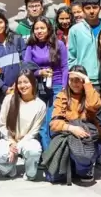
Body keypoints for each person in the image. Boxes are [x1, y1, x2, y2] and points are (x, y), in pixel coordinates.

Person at [48, 66, 101, 181]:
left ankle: (85, 167)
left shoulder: (91, 94)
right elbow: (54, 123)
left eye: (78, 79)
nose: (74, 83)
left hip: (88, 138)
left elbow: (93, 105)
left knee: (82, 166)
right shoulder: (62, 96)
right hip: (69, 135)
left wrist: (87, 82)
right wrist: (71, 128)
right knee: (54, 177)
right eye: (71, 79)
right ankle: (73, 165)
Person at [0, 70, 46, 180]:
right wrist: (11, 142)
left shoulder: (40, 105)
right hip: (9, 139)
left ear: (33, 83)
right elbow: (1, 125)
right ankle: (9, 170)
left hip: (27, 140)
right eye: (20, 82)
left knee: (34, 150)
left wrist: (17, 146)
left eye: (26, 82)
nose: (22, 85)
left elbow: (34, 131)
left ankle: (30, 173)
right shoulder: (9, 99)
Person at [23, 17, 68, 148]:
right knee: (41, 122)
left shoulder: (59, 44)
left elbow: (65, 67)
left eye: (42, 28)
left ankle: (55, 152)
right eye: (36, 28)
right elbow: (26, 67)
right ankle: (46, 154)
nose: (39, 31)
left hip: (57, 85)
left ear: (49, 29)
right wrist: (39, 73)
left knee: (53, 120)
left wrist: (64, 88)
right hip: (39, 88)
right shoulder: (31, 47)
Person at [0, 10, 27, 108]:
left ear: (5, 23)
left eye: (0, 22)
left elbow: (24, 62)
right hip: (2, 93)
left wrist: (19, 83)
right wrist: (4, 88)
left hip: (21, 88)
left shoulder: (17, 39)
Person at [68, 0, 101, 81]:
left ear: (100, 8)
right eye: (88, 8)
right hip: (82, 79)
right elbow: (71, 57)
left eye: (95, 7)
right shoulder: (75, 30)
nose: (92, 11)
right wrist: (76, 76)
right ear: (83, 9)